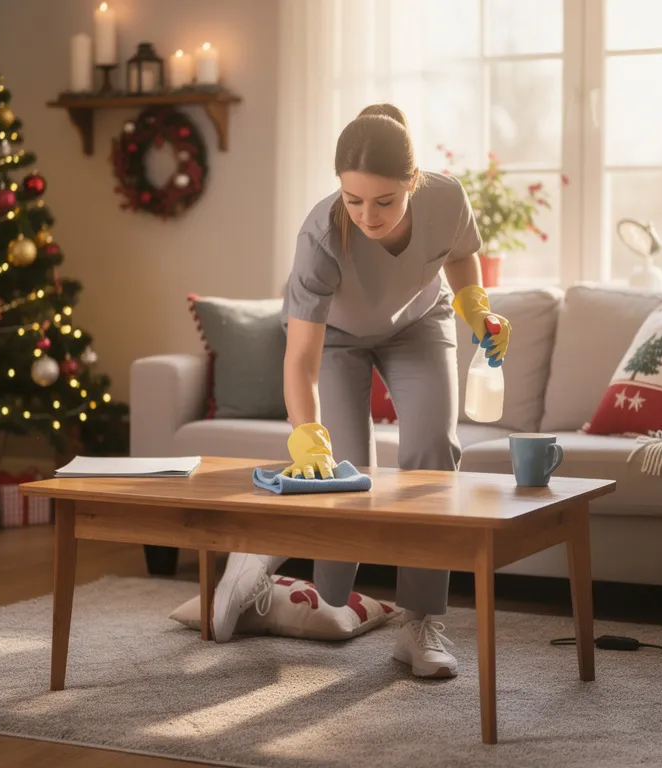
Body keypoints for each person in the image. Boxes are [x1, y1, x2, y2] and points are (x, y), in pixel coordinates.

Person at [209, 103, 511, 679]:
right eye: (353, 200)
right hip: (337, 341)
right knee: (341, 475)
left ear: (414, 184)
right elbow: (300, 359)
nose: (367, 216)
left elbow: (463, 254)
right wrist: (307, 439)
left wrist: (477, 308)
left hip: (418, 325)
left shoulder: (445, 197)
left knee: (432, 454)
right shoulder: (321, 235)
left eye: (385, 201)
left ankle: (418, 626)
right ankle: (257, 561)